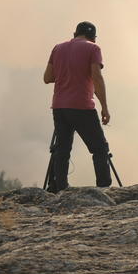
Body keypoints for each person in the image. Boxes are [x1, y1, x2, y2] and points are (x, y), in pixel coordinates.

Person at [43, 21, 112, 191]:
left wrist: (66, 74)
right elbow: (96, 77)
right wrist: (104, 107)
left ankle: (59, 187)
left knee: (62, 148)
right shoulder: (93, 49)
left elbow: (47, 77)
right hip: (82, 106)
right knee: (99, 148)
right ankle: (103, 188)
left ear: (75, 34)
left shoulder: (58, 48)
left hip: (59, 106)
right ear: (93, 38)